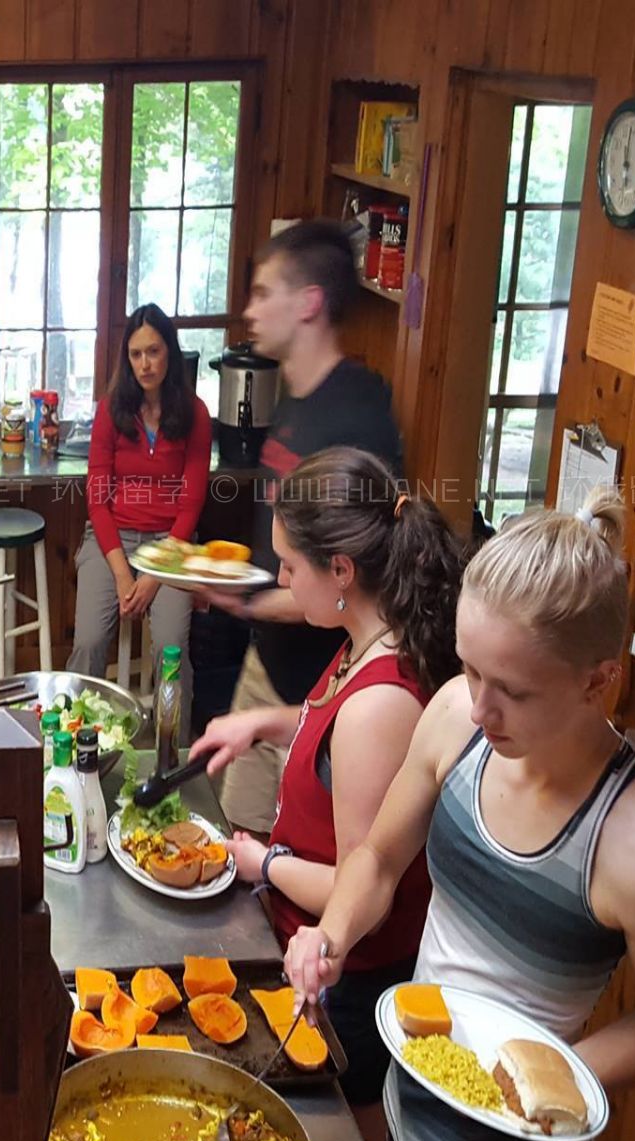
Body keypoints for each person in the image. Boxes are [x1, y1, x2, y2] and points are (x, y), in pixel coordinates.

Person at [284, 490, 635, 1141]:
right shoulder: (454, 716)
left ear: (598, 683)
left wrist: (541, 1073)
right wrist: (332, 934)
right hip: (408, 1118)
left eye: (509, 690)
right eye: (470, 669)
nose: (479, 707)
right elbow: (377, 859)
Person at [190, 447, 463, 1141]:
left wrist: (262, 861)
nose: (280, 580)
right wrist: (267, 723)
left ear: (340, 571)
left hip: (345, 984)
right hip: (309, 954)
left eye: (289, 565)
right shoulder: (362, 646)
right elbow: (330, 742)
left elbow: (360, 882)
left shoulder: (379, 702)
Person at [203, 220, 405, 836]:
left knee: (279, 852)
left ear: (309, 302)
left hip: (328, 685)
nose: (249, 311)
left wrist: (250, 600)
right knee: (237, 826)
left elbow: (358, 577)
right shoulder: (294, 393)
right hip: (271, 662)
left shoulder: (358, 415)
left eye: (265, 294)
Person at [69, 304, 213, 710]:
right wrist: (121, 575)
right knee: (89, 642)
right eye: (136, 354)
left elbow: (191, 504)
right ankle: (77, 738)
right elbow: (97, 501)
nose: (146, 364)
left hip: (170, 546)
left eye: (153, 351)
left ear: (170, 351)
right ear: (126, 359)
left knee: (171, 649)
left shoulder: (196, 414)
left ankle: (175, 757)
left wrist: (151, 577)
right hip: (110, 538)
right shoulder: (110, 411)